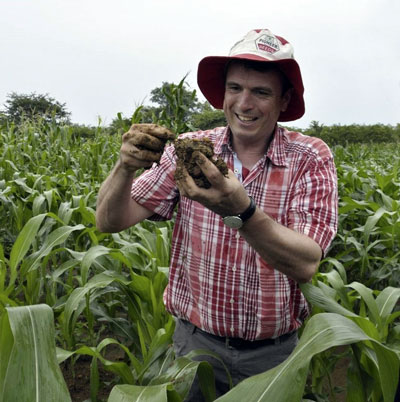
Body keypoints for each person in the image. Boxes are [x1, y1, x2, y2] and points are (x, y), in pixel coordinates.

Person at [96, 28, 338, 400]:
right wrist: (125, 166)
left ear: (283, 99)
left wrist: (240, 211)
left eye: (261, 92)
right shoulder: (192, 149)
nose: (244, 103)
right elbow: (109, 221)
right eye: (235, 88)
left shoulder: (309, 158)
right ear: (223, 94)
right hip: (195, 348)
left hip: (272, 356)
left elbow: (306, 262)